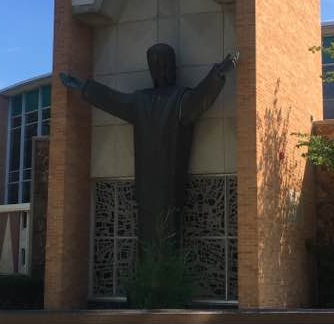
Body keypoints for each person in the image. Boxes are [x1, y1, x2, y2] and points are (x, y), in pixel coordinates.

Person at [60, 43, 238, 248]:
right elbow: (112, 99)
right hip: (164, 190)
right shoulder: (168, 100)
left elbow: (112, 99)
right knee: (159, 245)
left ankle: (154, 279)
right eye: (158, 65)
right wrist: (217, 73)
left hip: (157, 191)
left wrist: (84, 87)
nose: (161, 69)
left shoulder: (156, 101)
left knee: (157, 245)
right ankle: (159, 279)